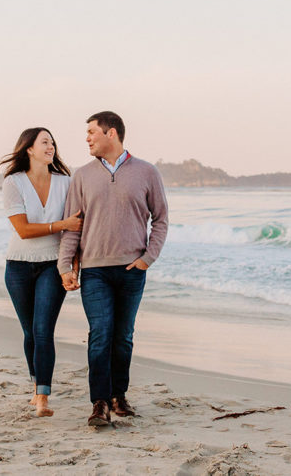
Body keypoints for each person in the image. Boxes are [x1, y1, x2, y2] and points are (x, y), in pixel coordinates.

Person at [58, 111, 168, 426]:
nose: (88, 139)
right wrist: (65, 264)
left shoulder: (147, 172)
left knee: (123, 337)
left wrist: (149, 257)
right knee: (101, 334)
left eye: (92, 132)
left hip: (133, 270)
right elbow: (73, 226)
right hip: (95, 270)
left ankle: (119, 395)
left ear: (112, 134)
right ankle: (100, 403)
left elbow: (160, 219)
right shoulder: (82, 175)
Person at [0, 127, 83, 417]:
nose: (51, 146)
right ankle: (36, 385)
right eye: (44, 142)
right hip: (18, 266)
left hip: (52, 265)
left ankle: (43, 396)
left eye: (53, 142)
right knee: (29, 332)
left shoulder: (67, 183)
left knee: (43, 330)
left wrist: (73, 265)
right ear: (29, 149)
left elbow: (77, 229)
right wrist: (61, 225)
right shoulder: (14, 182)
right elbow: (22, 230)